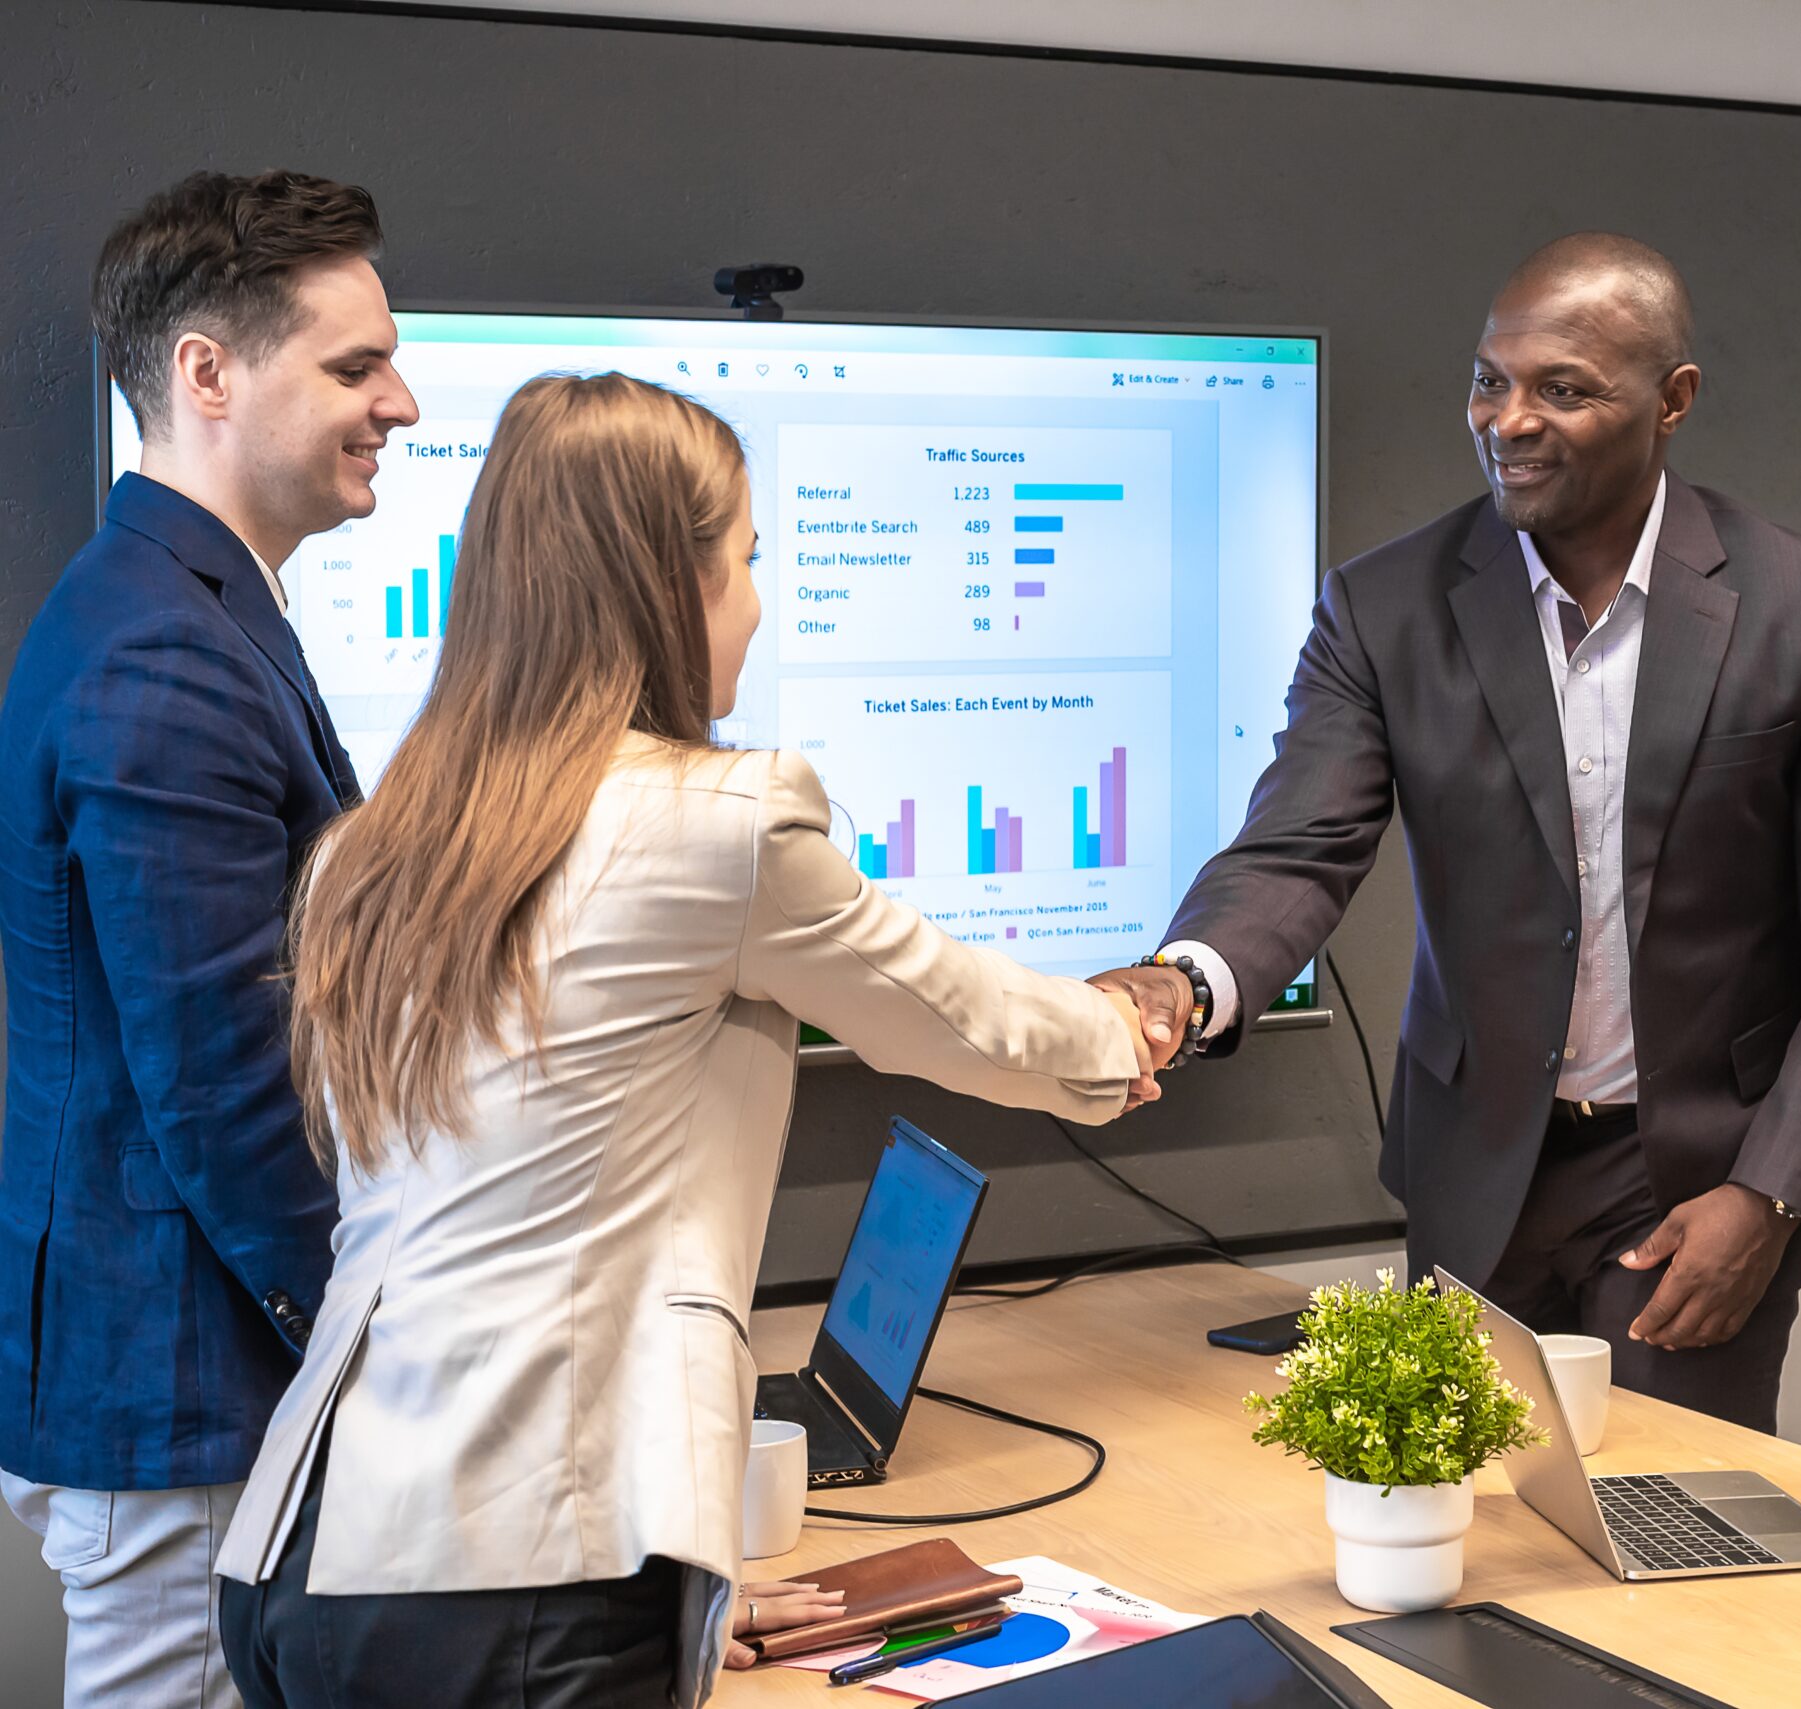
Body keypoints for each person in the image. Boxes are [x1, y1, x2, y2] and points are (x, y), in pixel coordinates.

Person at [211, 373, 1166, 1709]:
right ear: (674, 581)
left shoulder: (368, 855)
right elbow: (967, 1019)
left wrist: (679, 1576)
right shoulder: (721, 824)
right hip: (520, 1581)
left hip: (309, 1561)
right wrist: (1137, 1024)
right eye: (749, 560)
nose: (760, 604)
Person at [1095, 233, 1801, 1428]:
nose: (1509, 419)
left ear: (1672, 400)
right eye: (1491, 380)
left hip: (1697, 1178)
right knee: (1467, 1509)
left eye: (1564, 389)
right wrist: (1181, 981)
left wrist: (1769, 1193)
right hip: (1478, 1165)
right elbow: (1296, 846)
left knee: (1664, 1508)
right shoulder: (1383, 606)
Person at [0, 169, 415, 1709]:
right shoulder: (165, 653)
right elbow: (224, 1081)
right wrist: (378, 1353)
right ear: (207, 374)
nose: (401, 402)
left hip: (184, 1371)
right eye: (356, 367)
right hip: (183, 1388)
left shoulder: (186, 603)